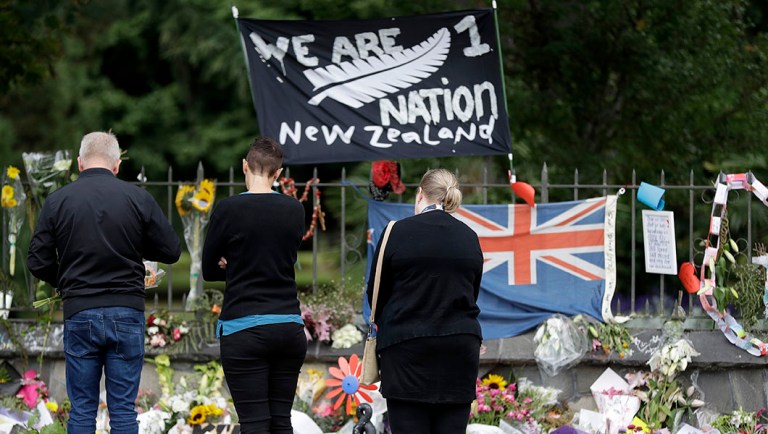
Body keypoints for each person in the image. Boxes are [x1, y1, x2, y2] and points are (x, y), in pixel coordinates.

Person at [27, 131, 181, 434]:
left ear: (80, 163)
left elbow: (37, 260)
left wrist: (65, 281)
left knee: (82, 411)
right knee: (123, 411)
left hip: (80, 311)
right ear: (117, 164)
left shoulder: (59, 200)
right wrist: (135, 247)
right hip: (126, 310)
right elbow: (171, 250)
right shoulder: (138, 198)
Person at [366, 168, 484, 434]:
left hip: (406, 349)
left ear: (420, 194)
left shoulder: (395, 232)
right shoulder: (469, 237)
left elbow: (376, 291)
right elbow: (471, 292)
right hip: (459, 349)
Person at [202, 137, 306, 434]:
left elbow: (209, 269)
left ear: (245, 166)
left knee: (254, 424)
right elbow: (279, 257)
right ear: (278, 173)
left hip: (243, 327)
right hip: (288, 324)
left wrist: (235, 266)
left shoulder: (227, 209)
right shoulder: (294, 209)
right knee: (281, 421)